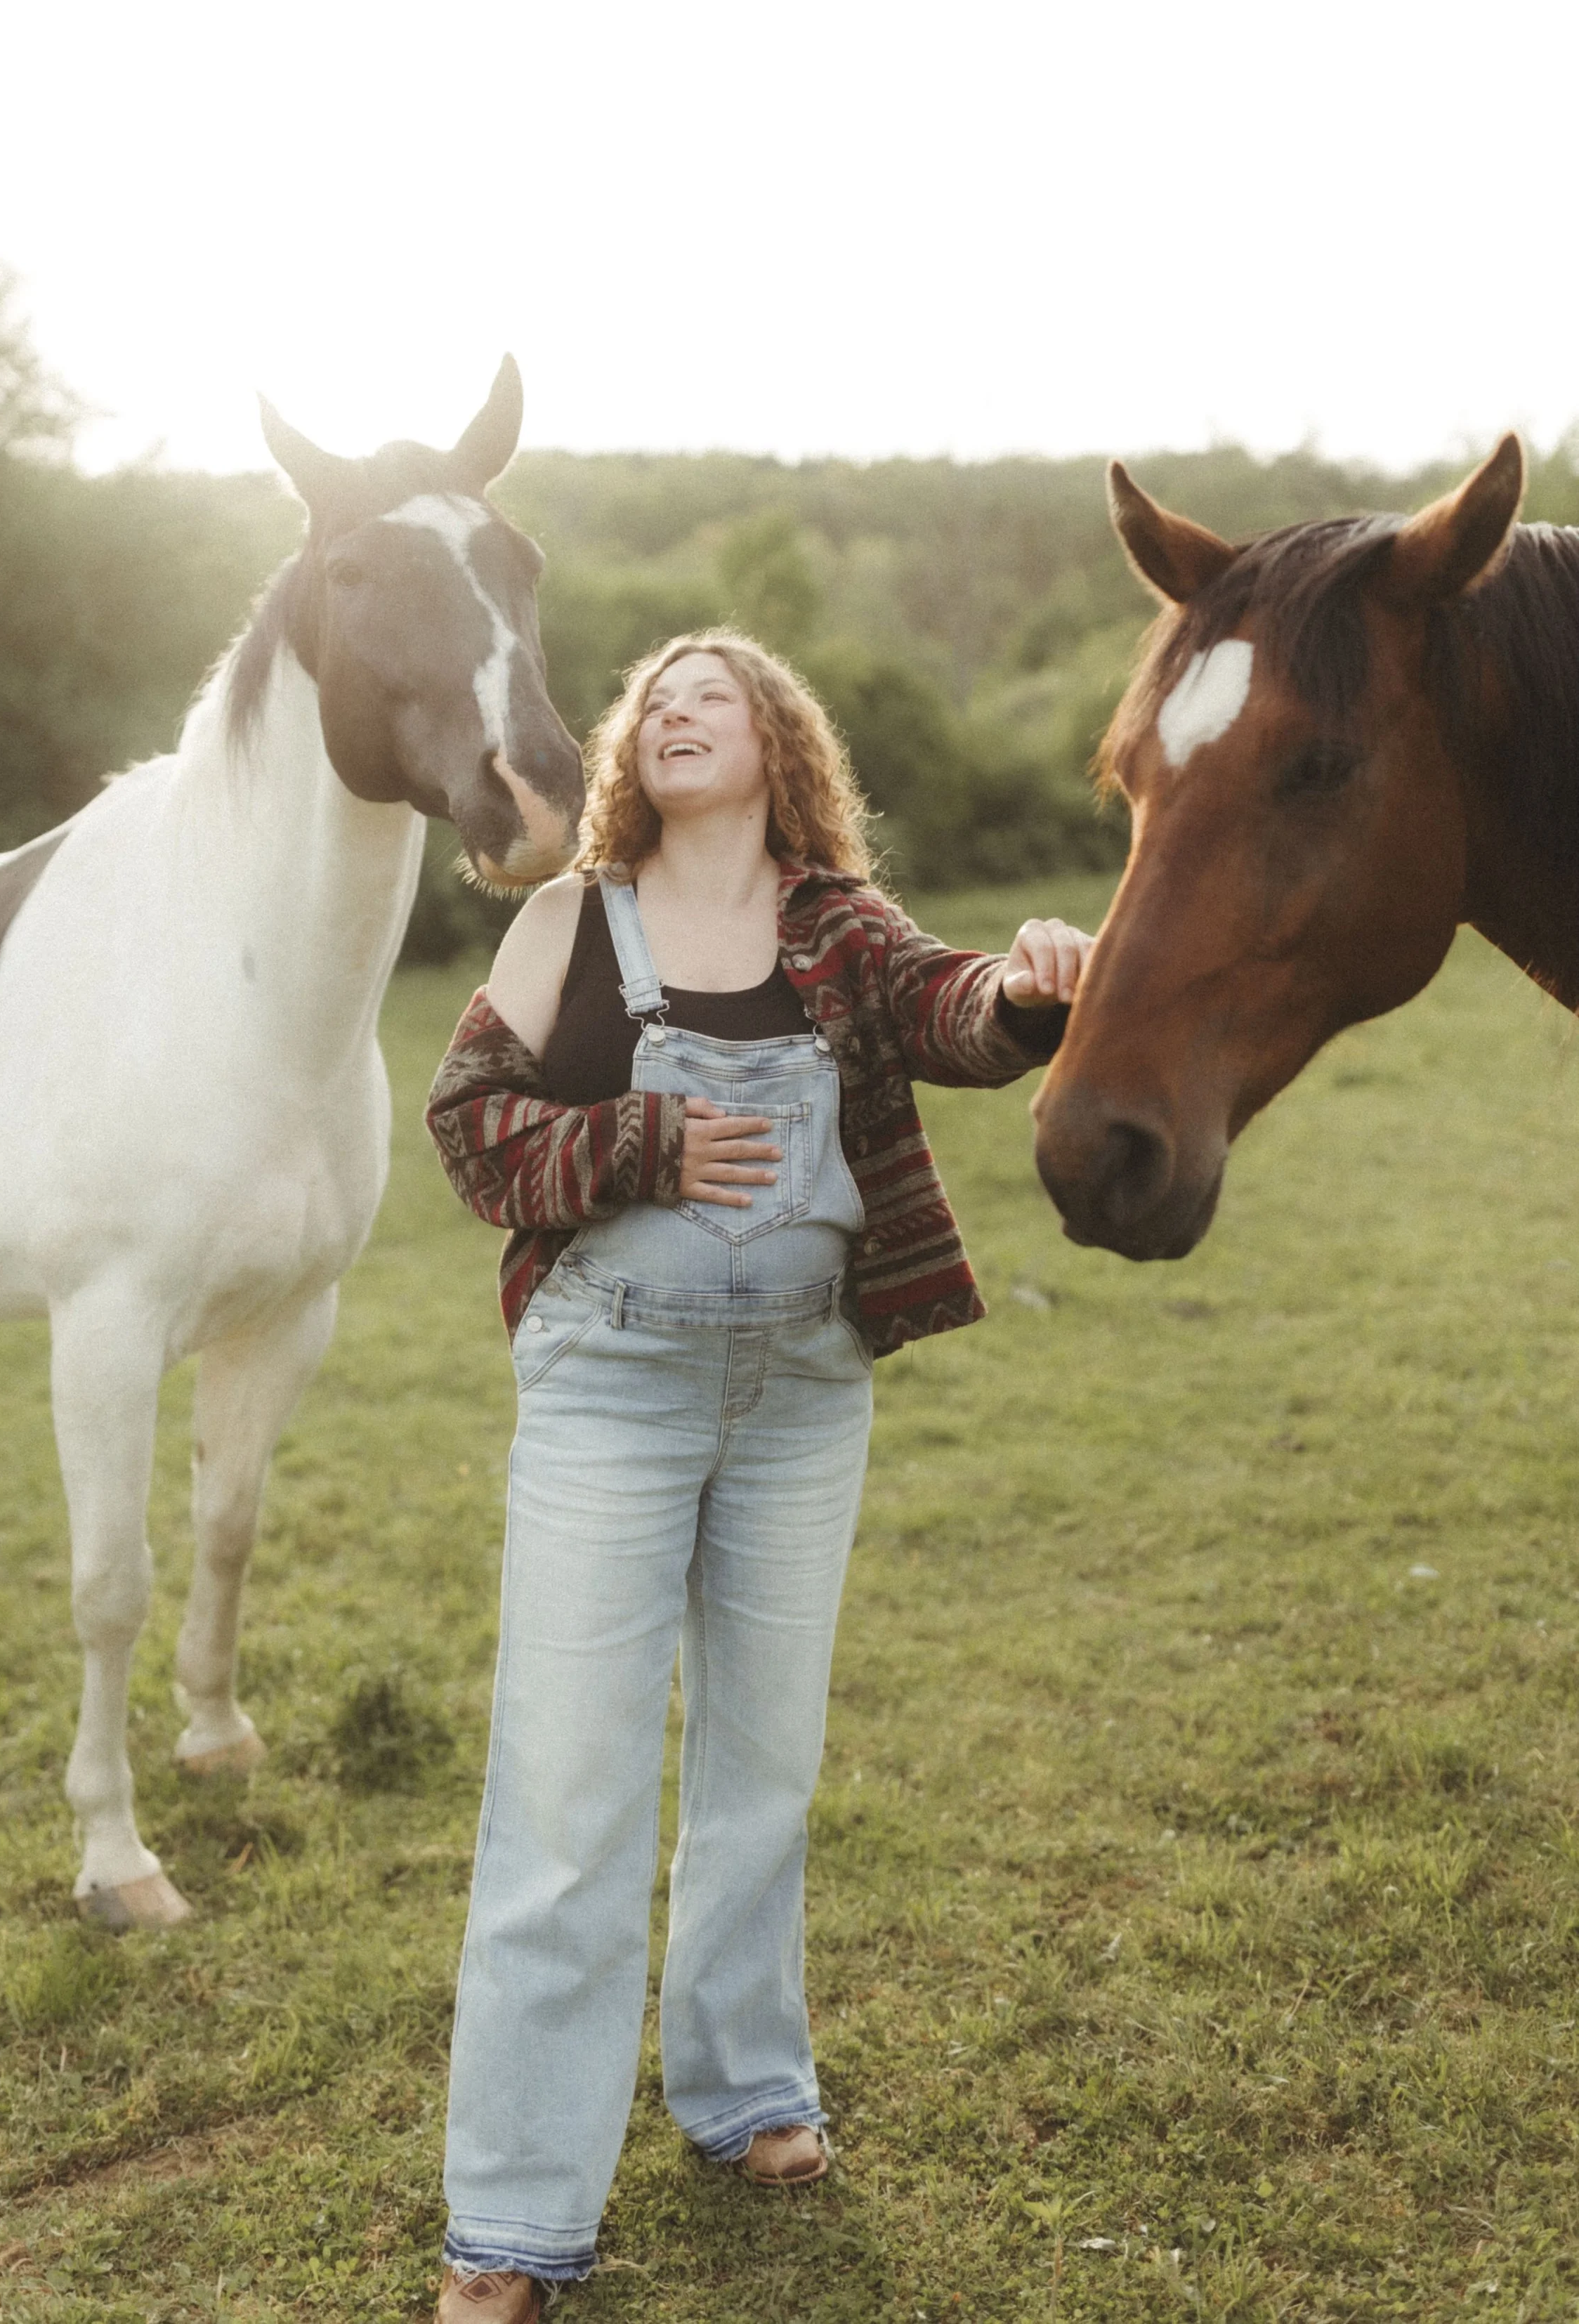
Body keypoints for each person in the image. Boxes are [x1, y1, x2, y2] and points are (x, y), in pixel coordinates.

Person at [423, 632, 1094, 2318]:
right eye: (651, 701)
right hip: (611, 1387)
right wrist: (638, 1142)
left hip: (805, 1391)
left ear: (777, 744)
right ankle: (512, 2223)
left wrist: (1023, 989)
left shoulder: (836, 927)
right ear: (624, 756)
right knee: (567, 1808)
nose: (670, 713)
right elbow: (466, 1123)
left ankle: (740, 2092)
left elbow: (949, 1011)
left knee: (761, 1770)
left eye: (707, 695)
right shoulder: (572, 921)